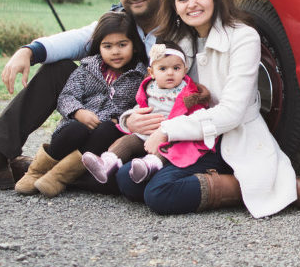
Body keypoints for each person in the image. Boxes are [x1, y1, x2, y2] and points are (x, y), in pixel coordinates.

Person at [0, 0, 167, 193]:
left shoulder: (178, 26)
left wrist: (133, 120)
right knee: (57, 70)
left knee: (127, 180)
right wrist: (29, 51)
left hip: (147, 124)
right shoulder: (119, 21)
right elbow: (78, 39)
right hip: (102, 117)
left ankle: (48, 168)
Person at [115, 0, 300, 218]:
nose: (192, 4)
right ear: (174, 6)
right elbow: (159, 91)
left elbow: (231, 113)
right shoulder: (177, 41)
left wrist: (167, 130)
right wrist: (130, 119)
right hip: (190, 138)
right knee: (126, 180)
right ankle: (223, 180)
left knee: (159, 193)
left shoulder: (243, 37)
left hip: (229, 136)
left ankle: (271, 187)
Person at [13, 11, 146, 197]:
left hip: (106, 132)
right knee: (75, 130)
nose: (115, 51)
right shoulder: (87, 69)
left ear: (135, 46)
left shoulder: (139, 76)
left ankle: (60, 177)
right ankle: (37, 171)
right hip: (77, 124)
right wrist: (78, 112)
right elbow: (66, 96)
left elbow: (138, 106)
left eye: (122, 45)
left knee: (107, 131)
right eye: (107, 46)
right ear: (99, 47)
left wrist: (121, 120)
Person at [81, 41, 211, 184]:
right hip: (145, 133)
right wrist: (129, 118)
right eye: (162, 68)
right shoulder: (149, 88)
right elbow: (140, 107)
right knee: (127, 141)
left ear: (184, 70)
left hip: (173, 137)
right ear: (152, 73)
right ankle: (106, 163)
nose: (170, 73)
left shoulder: (189, 93)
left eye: (176, 68)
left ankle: (149, 166)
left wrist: (174, 131)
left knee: (166, 151)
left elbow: (195, 116)